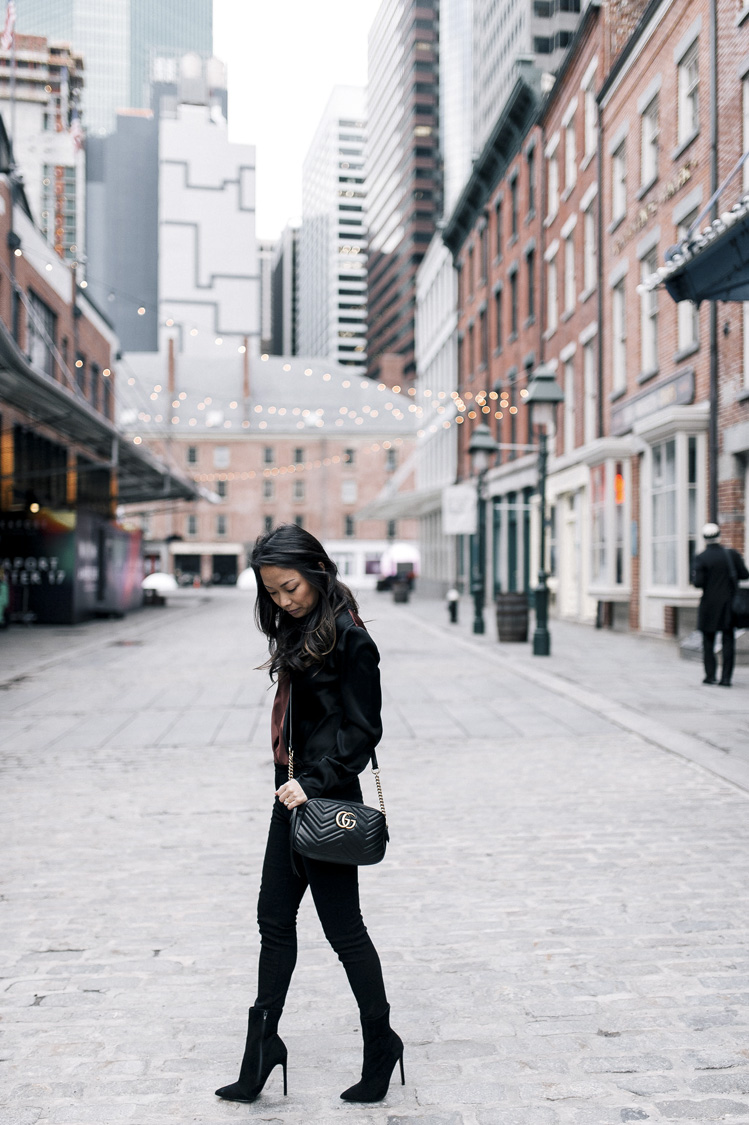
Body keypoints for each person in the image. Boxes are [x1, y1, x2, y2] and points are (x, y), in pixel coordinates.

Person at [215, 523, 403, 1106]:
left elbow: (363, 732)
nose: (284, 600)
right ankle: (262, 1050)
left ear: (317, 571)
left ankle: (381, 1043)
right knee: (273, 918)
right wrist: (291, 781)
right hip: (289, 793)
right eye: (272, 592)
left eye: (290, 587)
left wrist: (311, 781)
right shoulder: (301, 630)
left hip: (322, 799)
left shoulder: (351, 638)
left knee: (344, 930)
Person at [691, 522, 748, 686]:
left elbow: (698, 583)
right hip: (729, 604)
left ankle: (710, 675)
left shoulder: (701, 558)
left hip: (709, 604)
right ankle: (726, 678)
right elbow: (744, 574)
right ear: (719, 535)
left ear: (704, 538)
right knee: (728, 640)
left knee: (708, 641)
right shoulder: (731, 554)